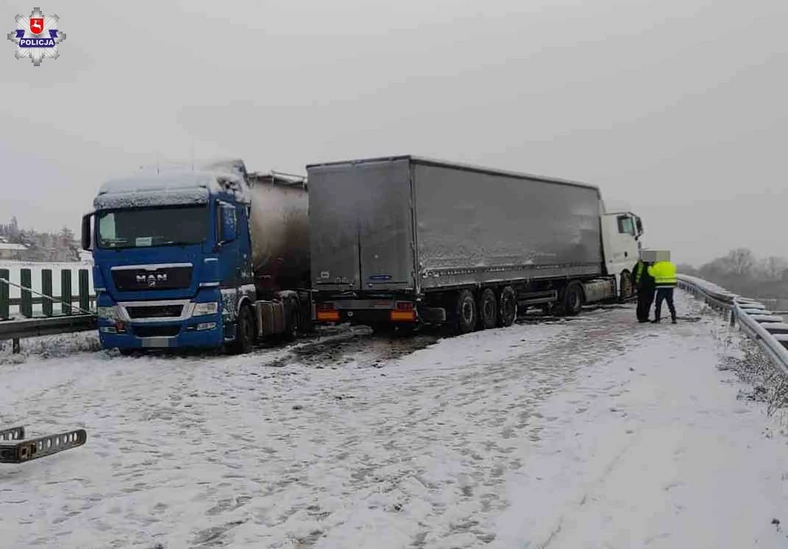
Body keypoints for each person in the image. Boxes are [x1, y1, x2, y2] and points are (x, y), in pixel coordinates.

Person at [648, 258, 677, 324]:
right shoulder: (671, 265)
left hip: (662, 286)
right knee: (670, 303)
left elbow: (652, 274)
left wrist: (649, 267)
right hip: (670, 286)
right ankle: (674, 318)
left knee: (658, 303)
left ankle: (657, 319)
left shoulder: (658, 265)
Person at [632, 258, 656, 323]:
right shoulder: (640, 265)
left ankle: (645, 317)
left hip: (650, 287)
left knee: (648, 302)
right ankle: (641, 317)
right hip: (642, 287)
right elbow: (634, 275)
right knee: (642, 302)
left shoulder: (652, 265)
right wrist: (634, 284)